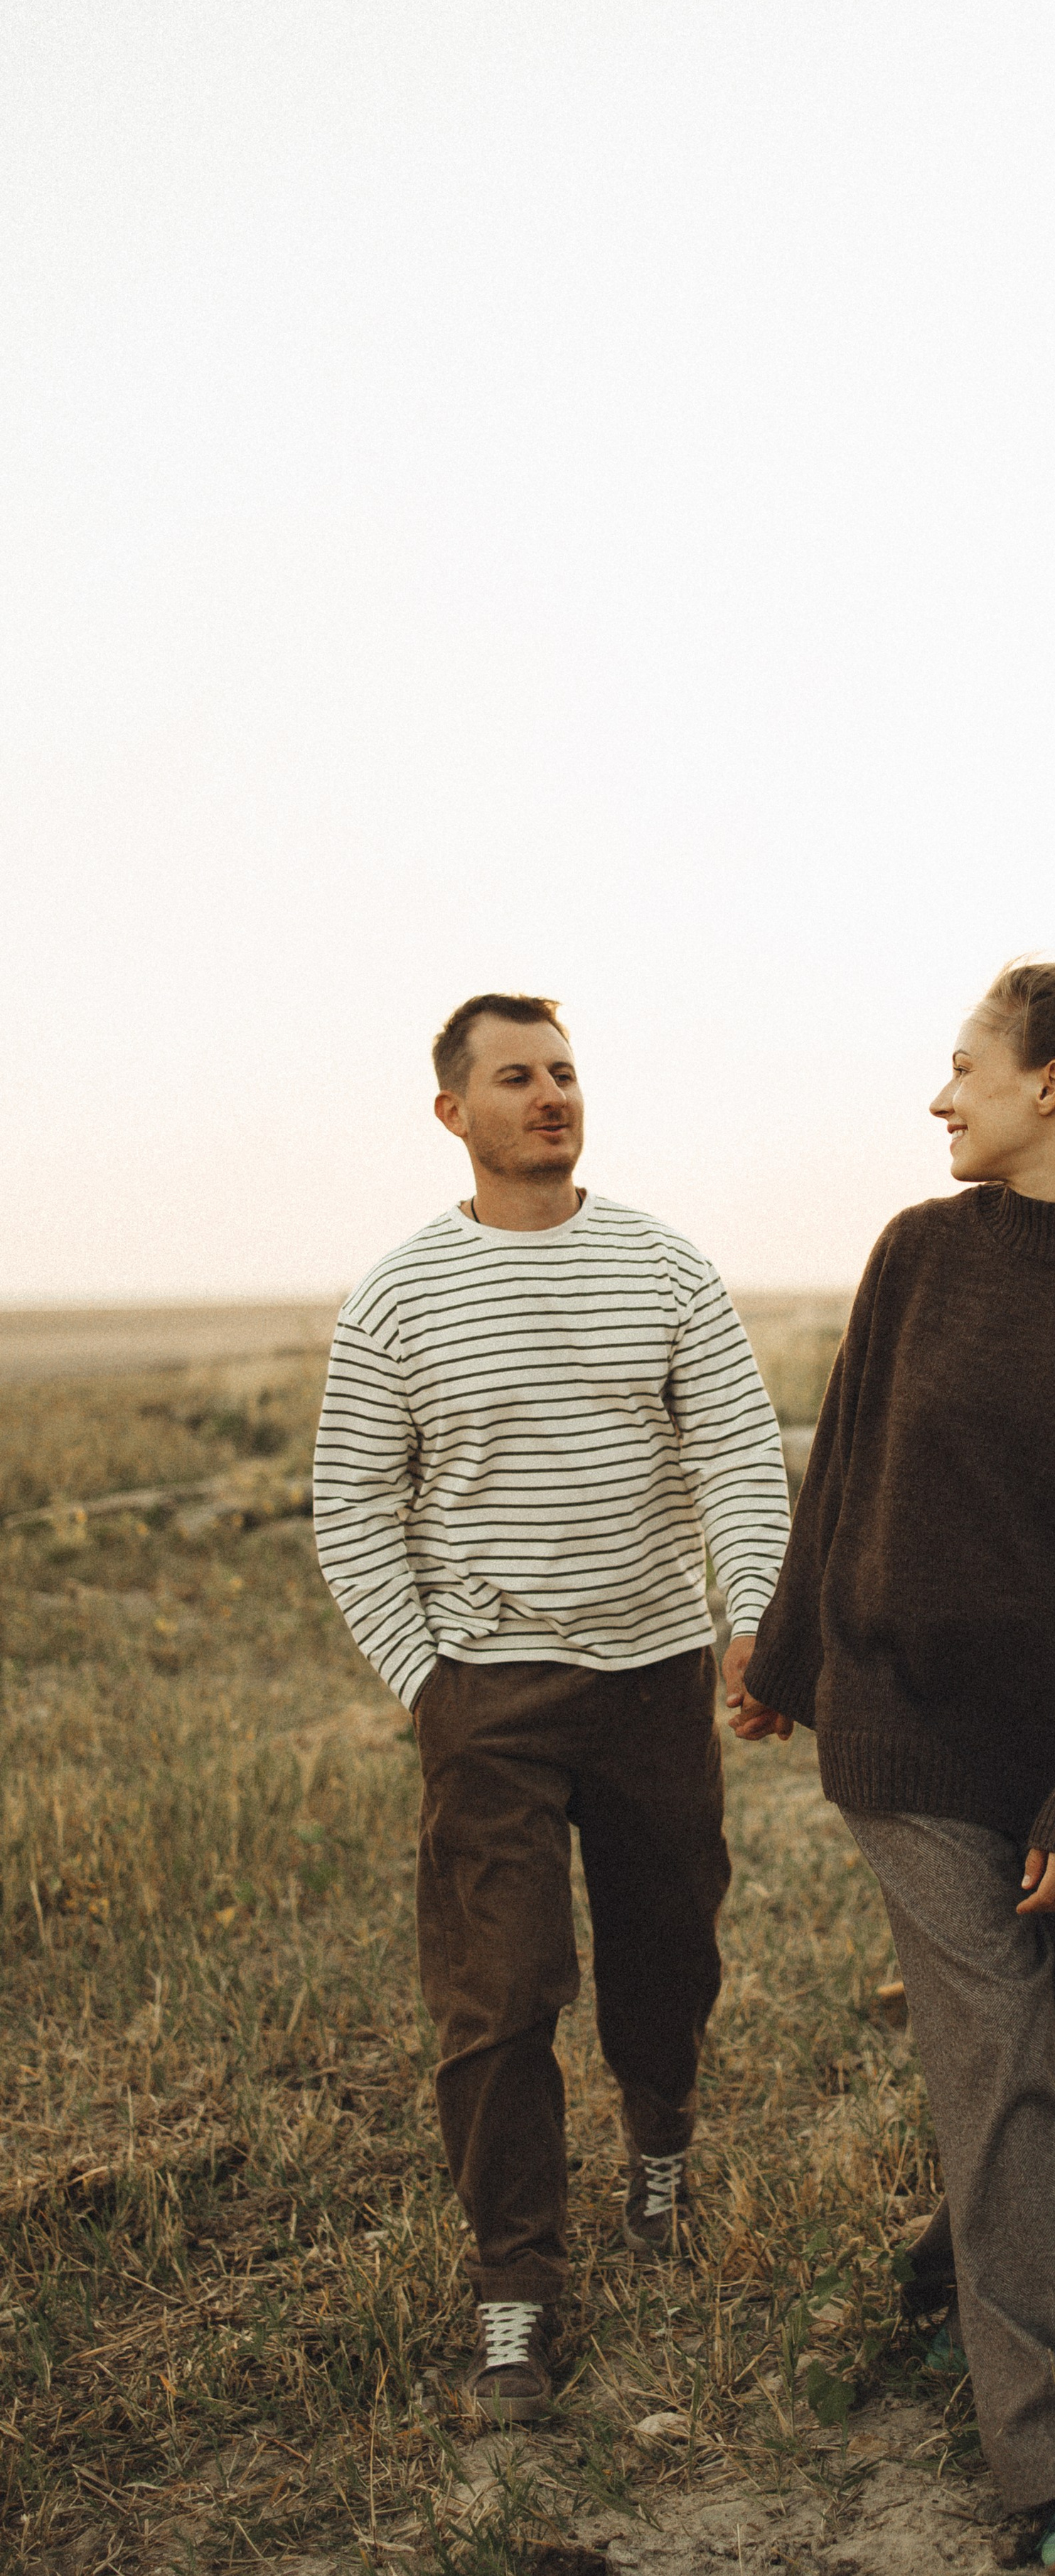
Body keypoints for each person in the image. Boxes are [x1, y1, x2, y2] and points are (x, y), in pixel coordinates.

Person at [732, 961, 1055, 2576]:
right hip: (911, 1736)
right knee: (1006, 2063)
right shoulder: (918, 1254)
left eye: (963, 1066)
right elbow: (846, 1466)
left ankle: (951, 2272)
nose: (937, 1096)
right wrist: (785, 1656)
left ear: (1054, 1083)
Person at [313, 993, 789, 2424]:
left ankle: (660, 2143)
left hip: (655, 1679)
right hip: (489, 1698)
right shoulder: (400, 1295)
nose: (550, 1096)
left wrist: (751, 1617)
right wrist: (429, 1684)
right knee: (499, 1993)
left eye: (565, 1072)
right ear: (453, 1112)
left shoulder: (663, 1266)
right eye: (516, 1076)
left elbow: (737, 1454)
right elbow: (352, 1503)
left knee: (668, 1950)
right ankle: (515, 2291)